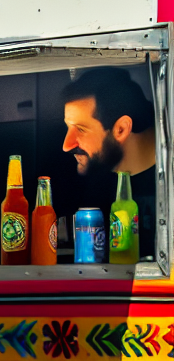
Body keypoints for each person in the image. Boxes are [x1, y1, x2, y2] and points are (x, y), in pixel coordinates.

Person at [61, 67, 155, 259]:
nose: (66, 145)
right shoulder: (89, 184)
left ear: (120, 129)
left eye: (80, 129)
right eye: (68, 127)